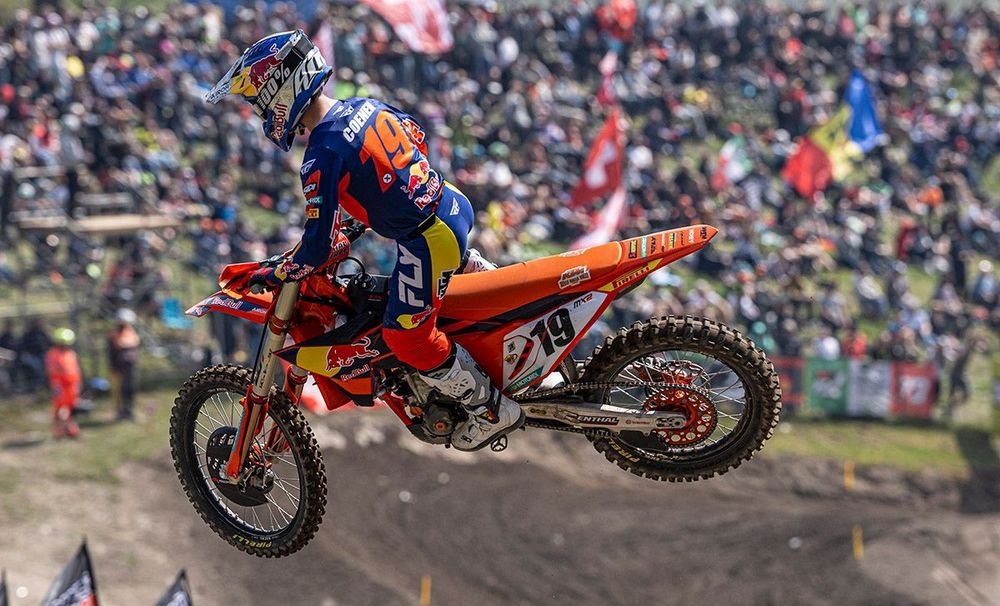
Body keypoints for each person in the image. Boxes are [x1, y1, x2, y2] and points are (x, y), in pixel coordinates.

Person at [206, 30, 522, 451]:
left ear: (281, 89)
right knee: (462, 295)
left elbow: (316, 246)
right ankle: (514, 327)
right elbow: (416, 137)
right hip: (451, 204)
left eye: (259, 100)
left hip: (426, 239)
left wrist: (278, 271)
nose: (260, 110)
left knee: (406, 338)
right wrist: (378, 208)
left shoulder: (321, 154)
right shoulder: (364, 105)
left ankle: (489, 409)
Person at [45, 328, 82, 439]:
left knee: (70, 407)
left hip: (72, 385)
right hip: (60, 386)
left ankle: (68, 429)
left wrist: (78, 384)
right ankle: (61, 430)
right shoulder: (53, 354)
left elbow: (75, 369)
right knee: (62, 408)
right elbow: (53, 370)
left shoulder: (71, 354)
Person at [108, 308, 141, 421]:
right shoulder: (114, 334)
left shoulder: (131, 332)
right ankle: (121, 412)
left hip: (130, 367)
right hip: (119, 367)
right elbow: (112, 352)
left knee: (129, 389)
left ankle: (129, 411)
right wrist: (114, 367)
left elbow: (135, 345)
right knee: (119, 390)